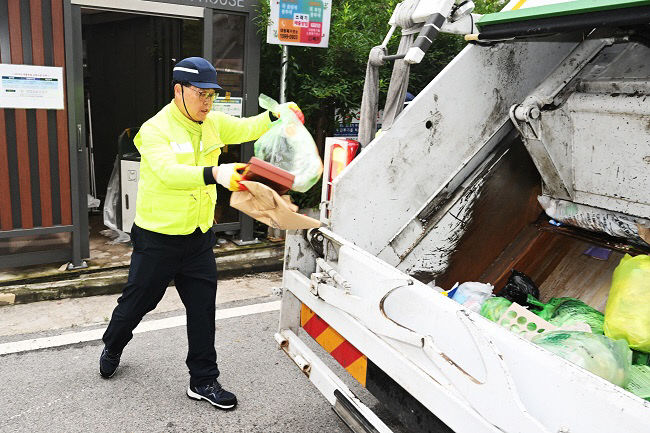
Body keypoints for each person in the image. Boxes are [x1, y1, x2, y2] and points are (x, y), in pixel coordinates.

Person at [99, 57, 301, 410]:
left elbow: (246, 128)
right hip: (157, 239)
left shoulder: (212, 122)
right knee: (137, 303)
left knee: (203, 310)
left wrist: (276, 116)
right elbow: (167, 173)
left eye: (212, 95)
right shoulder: (155, 129)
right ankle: (113, 343)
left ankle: (203, 380)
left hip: (197, 238)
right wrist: (216, 174)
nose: (207, 102)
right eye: (201, 94)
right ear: (178, 90)